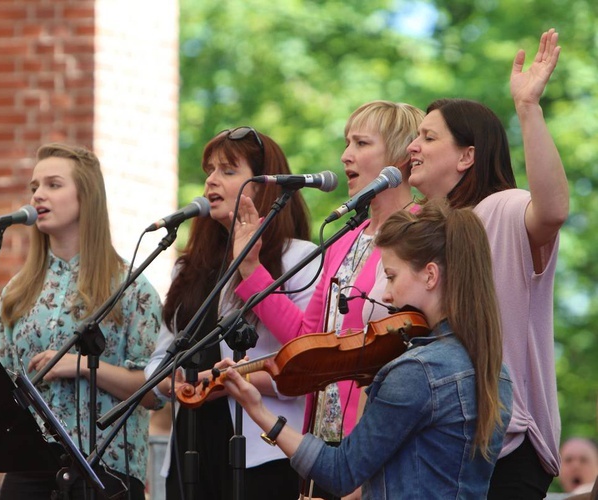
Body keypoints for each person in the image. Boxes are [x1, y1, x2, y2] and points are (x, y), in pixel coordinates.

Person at [220, 199, 514, 498]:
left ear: (430, 275)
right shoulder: (494, 370)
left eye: (391, 276)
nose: (385, 294)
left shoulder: (416, 372)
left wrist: (257, 410)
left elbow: (340, 471)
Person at [405, 29, 568, 498]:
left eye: (428, 137)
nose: (413, 146)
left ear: (467, 156)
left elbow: (553, 210)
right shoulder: (427, 234)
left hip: (506, 448)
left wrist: (528, 109)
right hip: (443, 445)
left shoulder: (499, 209)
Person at [233, 101, 424, 498]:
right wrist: (252, 271)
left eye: (361, 142)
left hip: (378, 450)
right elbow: (307, 337)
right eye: (346, 142)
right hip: (322, 448)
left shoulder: (424, 229)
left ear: (400, 157)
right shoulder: (348, 238)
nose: (345, 155)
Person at [0, 142, 162, 500]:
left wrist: (81, 366)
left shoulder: (130, 288)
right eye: (34, 187)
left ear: (87, 197)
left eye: (53, 184)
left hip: (104, 472)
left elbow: (154, 391)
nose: (39, 195)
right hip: (28, 469)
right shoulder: (17, 291)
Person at [145, 127, 318, 500]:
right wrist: (170, 382)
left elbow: (308, 366)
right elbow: (159, 359)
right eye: (209, 170)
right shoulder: (189, 268)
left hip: (263, 447)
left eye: (227, 170)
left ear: (261, 187)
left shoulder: (298, 258)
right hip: (190, 447)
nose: (211, 180)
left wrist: (224, 382)